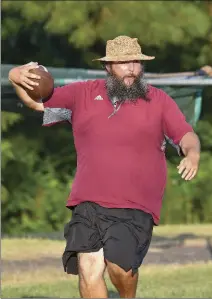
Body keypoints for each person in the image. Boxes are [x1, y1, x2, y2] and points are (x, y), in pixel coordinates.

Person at [8, 35, 201, 298]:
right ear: (108, 66)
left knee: (120, 269)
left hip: (135, 204)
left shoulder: (158, 100)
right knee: (89, 269)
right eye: (124, 63)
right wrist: (14, 76)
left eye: (136, 62)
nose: (131, 69)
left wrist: (192, 155)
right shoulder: (82, 93)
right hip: (88, 200)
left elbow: (186, 135)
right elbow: (37, 102)